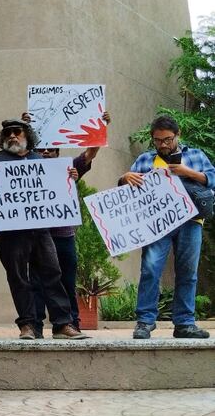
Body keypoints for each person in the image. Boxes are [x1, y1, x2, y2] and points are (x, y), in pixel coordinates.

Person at [0, 119, 89, 340]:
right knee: (18, 278)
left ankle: (62, 324)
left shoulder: (40, 159)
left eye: (17, 132)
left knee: (53, 274)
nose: (12, 136)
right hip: (11, 233)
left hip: (41, 230)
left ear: (27, 135)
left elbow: (59, 189)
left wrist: (70, 177)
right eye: (7, 133)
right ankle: (27, 325)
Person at [120, 115, 213, 339]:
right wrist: (124, 178)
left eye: (168, 139)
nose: (163, 144)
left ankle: (184, 323)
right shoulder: (145, 160)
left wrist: (187, 172)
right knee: (150, 269)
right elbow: (125, 190)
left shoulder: (195, 155)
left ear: (177, 135)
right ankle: (145, 321)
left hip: (191, 222)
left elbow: (212, 178)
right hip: (157, 224)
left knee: (188, 272)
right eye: (158, 140)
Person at [23, 111, 111, 337]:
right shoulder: (24, 168)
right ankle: (36, 327)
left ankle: (70, 324)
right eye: (41, 149)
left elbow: (90, 153)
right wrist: (26, 126)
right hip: (36, 235)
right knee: (36, 282)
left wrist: (100, 126)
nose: (45, 153)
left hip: (63, 235)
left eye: (50, 150)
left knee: (66, 281)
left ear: (57, 152)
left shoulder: (69, 167)